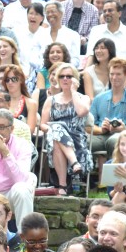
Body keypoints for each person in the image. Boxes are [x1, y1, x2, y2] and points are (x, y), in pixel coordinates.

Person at [40, 62, 90, 195]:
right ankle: (74, 164)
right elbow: (43, 124)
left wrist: (73, 92)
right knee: (56, 130)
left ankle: (62, 186)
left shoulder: (84, 98)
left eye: (69, 76)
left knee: (57, 136)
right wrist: (54, 130)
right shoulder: (51, 100)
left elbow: (81, 112)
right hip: (54, 137)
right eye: (61, 76)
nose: (65, 79)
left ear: (75, 79)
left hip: (77, 138)